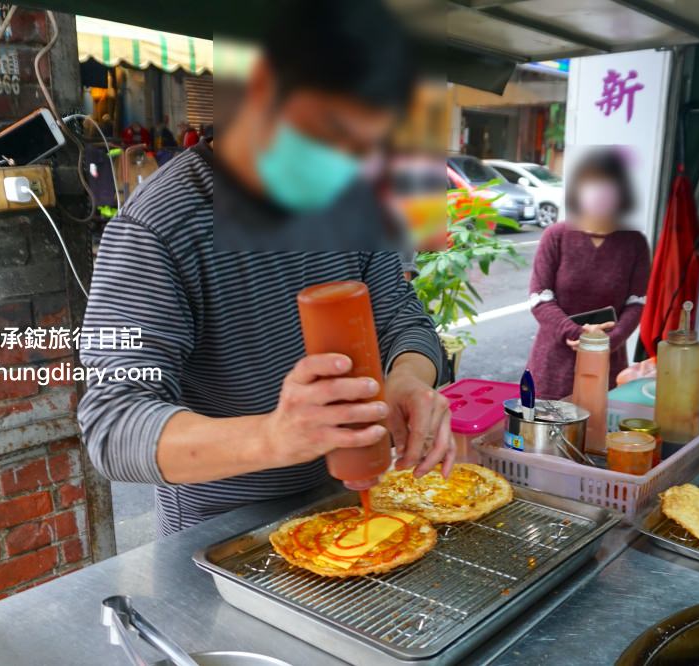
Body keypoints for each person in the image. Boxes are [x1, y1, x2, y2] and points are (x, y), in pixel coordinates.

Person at [77, 0, 454, 537]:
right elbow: (113, 425)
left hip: (340, 501)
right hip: (223, 535)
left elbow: (401, 315)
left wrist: (409, 381)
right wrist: (275, 436)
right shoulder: (160, 228)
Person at [526, 150, 651, 400]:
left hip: (607, 360)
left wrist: (608, 340)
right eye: (593, 183)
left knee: (598, 430)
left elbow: (636, 302)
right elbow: (539, 297)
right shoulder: (557, 236)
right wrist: (578, 334)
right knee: (545, 431)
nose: (601, 192)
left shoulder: (634, 242)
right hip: (554, 360)